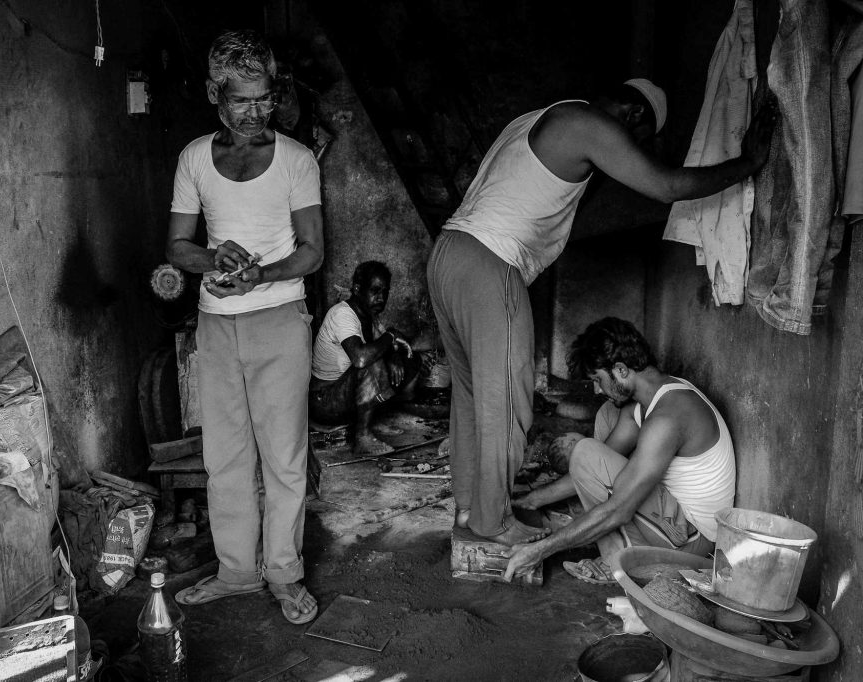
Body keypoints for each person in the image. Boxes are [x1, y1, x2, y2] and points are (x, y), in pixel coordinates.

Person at [426, 79, 773, 547]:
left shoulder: (538, 119)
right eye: (640, 140)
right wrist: (748, 163)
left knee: (471, 397)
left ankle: (472, 508)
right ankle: (493, 521)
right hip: (490, 262)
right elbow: (666, 186)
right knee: (506, 401)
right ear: (633, 114)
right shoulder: (589, 122)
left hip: (450, 255)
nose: (632, 151)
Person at [166, 30, 323, 625]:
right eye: (243, 101)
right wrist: (216, 259)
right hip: (216, 326)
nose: (259, 112)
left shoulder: (296, 161)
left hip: (281, 320)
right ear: (215, 95)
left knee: (283, 456)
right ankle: (235, 571)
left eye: (266, 98)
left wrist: (261, 277)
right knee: (225, 456)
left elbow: (311, 252)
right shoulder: (193, 160)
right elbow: (179, 247)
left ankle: (284, 573)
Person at [502, 317, 736, 583]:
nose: (597, 389)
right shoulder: (648, 401)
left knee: (586, 453)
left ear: (622, 370)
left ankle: (621, 563)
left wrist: (538, 551)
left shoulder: (668, 417)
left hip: (692, 542)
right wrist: (533, 499)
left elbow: (617, 506)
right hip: (672, 522)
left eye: (598, 380)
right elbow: (591, 470)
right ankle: (614, 545)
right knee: (606, 418)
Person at [309, 261, 418, 454]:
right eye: (375, 291)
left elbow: (386, 345)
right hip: (325, 401)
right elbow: (360, 358)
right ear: (358, 289)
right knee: (369, 362)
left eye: (385, 292)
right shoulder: (342, 314)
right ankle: (363, 437)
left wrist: (393, 355)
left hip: (345, 396)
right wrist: (391, 335)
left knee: (406, 357)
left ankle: (373, 422)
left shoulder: (368, 315)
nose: (381, 298)